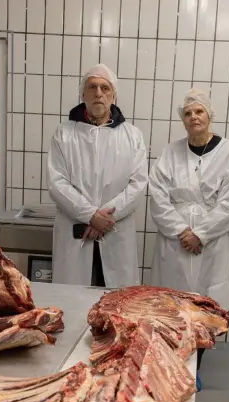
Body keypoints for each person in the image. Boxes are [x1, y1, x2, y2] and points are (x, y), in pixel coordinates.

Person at [149, 89, 229, 391]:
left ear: (209, 116)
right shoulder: (171, 152)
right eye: (188, 113)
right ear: (183, 119)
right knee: (173, 305)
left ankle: (195, 366)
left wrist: (201, 233)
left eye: (199, 112)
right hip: (174, 241)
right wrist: (182, 231)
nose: (193, 117)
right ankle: (171, 364)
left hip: (210, 243)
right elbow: (158, 195)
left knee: (203, 307)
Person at [47, 64, 148, 288]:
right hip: (76, 234)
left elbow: (137, 184)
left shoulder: (132, 136)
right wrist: (91, 215)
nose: (98, 93)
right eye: (92, 87)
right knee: (73, 303)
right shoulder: (64, 134)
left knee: (117, 306)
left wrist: (103, 219)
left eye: (105, 88)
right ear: (83, 94)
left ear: (114, 95)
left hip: (115, 232)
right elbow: (57, 183)